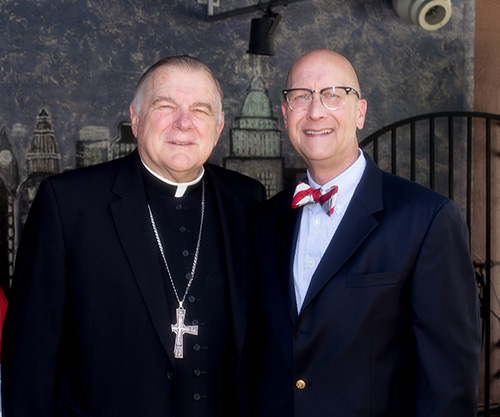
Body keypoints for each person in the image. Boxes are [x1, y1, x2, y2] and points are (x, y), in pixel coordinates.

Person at [2, 55, 265, 417]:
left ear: (219, 127)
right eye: (165, 105)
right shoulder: (69, 203)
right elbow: (30, 353)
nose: (183, 123)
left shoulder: (246, 200)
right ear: (136, 119)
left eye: (200, 110)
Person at [250, 49, 481, 416]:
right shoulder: (265, 219)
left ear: (360, 112)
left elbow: (449, 380)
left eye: (333, 95)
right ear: (284, 114)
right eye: (300, 97)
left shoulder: (427, 217)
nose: (315, 111)